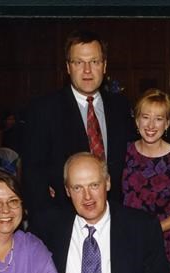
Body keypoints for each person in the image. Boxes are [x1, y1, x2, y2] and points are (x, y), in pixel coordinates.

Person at [21, 29, 135, 226]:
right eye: (79, 62)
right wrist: (50, 221)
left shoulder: (120, 106)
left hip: (114, 218)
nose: (87, 70)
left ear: (105, 65)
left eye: (94, 62)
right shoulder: (44, 110)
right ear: (68, 67)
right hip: (64, 220)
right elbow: (33, 174)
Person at [31, 152, 170, 273]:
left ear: (108, 183)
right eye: (78, 188)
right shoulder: (47, 227)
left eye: (94, 185)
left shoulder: (142, 228)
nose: (87, 196)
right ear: (67, 191)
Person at [121, 88, 170, 273]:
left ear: (167, 123)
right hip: (126, 241)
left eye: (159, 118)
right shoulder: (123, 152)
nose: (151, 125)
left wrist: (150, 231)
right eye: (145, 117)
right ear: (136, 121)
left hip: (166, 244)